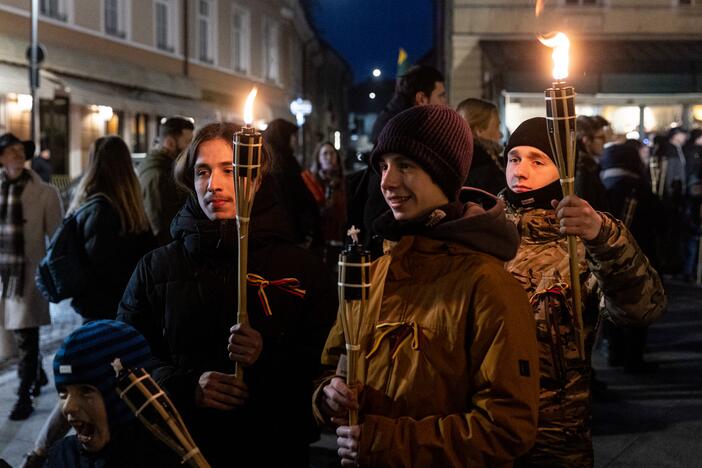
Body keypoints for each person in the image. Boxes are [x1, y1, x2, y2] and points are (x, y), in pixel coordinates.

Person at [314, 106, 540, 467]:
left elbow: (507, 427)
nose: (387, 182)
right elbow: (332, 363)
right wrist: (328, 396)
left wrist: (388, 442)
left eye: (405, 166)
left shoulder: (487, 285)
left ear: (443, 176)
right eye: (383, 166)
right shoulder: (373, 273)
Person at [118, 122, 337, 467]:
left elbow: (326, 362)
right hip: (182, 447)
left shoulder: (301, 268)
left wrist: (268, 354)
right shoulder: (157, 267)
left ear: (257, 176)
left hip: (272, 447)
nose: (214, 184)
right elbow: (125, 357)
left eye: (230, 169)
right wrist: (186, 387)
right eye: (202, 171)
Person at [500, 118, 667, 466]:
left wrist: (604, 239)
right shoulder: (484, 233)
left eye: (537, 160)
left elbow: (640, 310)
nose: (521, 170)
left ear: (563, 168)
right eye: (514, 158)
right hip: (486, 431)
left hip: (557, 439)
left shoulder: (582, 240)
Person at [21, 136, 157, 468]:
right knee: (87, 391)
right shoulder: (128, 210)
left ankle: (41, 453)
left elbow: (97, 272)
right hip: (115, 317)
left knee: (85, 391)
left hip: (100, 317)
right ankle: (38, 453)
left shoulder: (97, 208)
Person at [45, 319, 181, 467]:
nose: (67, 407)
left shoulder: (167, 456)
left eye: (85, 391)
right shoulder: (63, 456)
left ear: (123, 396)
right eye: (64, 393)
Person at [348, 64, 449, 258]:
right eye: (441, 95)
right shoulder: (405, 134)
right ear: (421, 98)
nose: (446, 103)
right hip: (393, 245)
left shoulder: (396, 125)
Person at [0, 133, 63, 421]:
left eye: (18, 150)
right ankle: (37, 374)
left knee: (26, 335)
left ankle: (23, 396)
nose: (15, 154)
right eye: (8, 151)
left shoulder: (46, 193)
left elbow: (58, 239)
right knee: (13, 335)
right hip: (3, 275)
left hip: (27, 275)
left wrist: (54, 273)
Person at [599, 142, 663, 372]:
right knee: (637, 307)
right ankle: (633, 358)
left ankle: (614, 351)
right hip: (638, 254)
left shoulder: (600, 184)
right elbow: (659, 222)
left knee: (610, 305)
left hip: (604, 256)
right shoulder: (639, 187)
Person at [263, 118, 321, 248]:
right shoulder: (284, 161)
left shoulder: (271, 158)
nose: (295, 141)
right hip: (287, 230)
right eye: (292, 136)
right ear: (283, 137)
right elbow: (297, 195)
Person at [138, 116, 194, 245]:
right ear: (170, 143)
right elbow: (158, 227)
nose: (191, 148)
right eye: (187, 142)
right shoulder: (157, 174)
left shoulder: (170, 168)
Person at [306, 141, 347, 267]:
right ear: (318, 158)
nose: (329, 157)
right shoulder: (310, 182)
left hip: (339, 241)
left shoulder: (344, 183)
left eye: (332, 153)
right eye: (325, 154)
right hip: (317, 242)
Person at [457, 97, 506, 195]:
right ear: (479, 130)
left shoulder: (467, 161)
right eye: (497, 126)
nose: (501, 134)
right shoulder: (482, 168)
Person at [575, 115, 610, 211]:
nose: (605, 142)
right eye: (601, 137)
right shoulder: (582, 169)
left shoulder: (588, 166)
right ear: (586, 140)